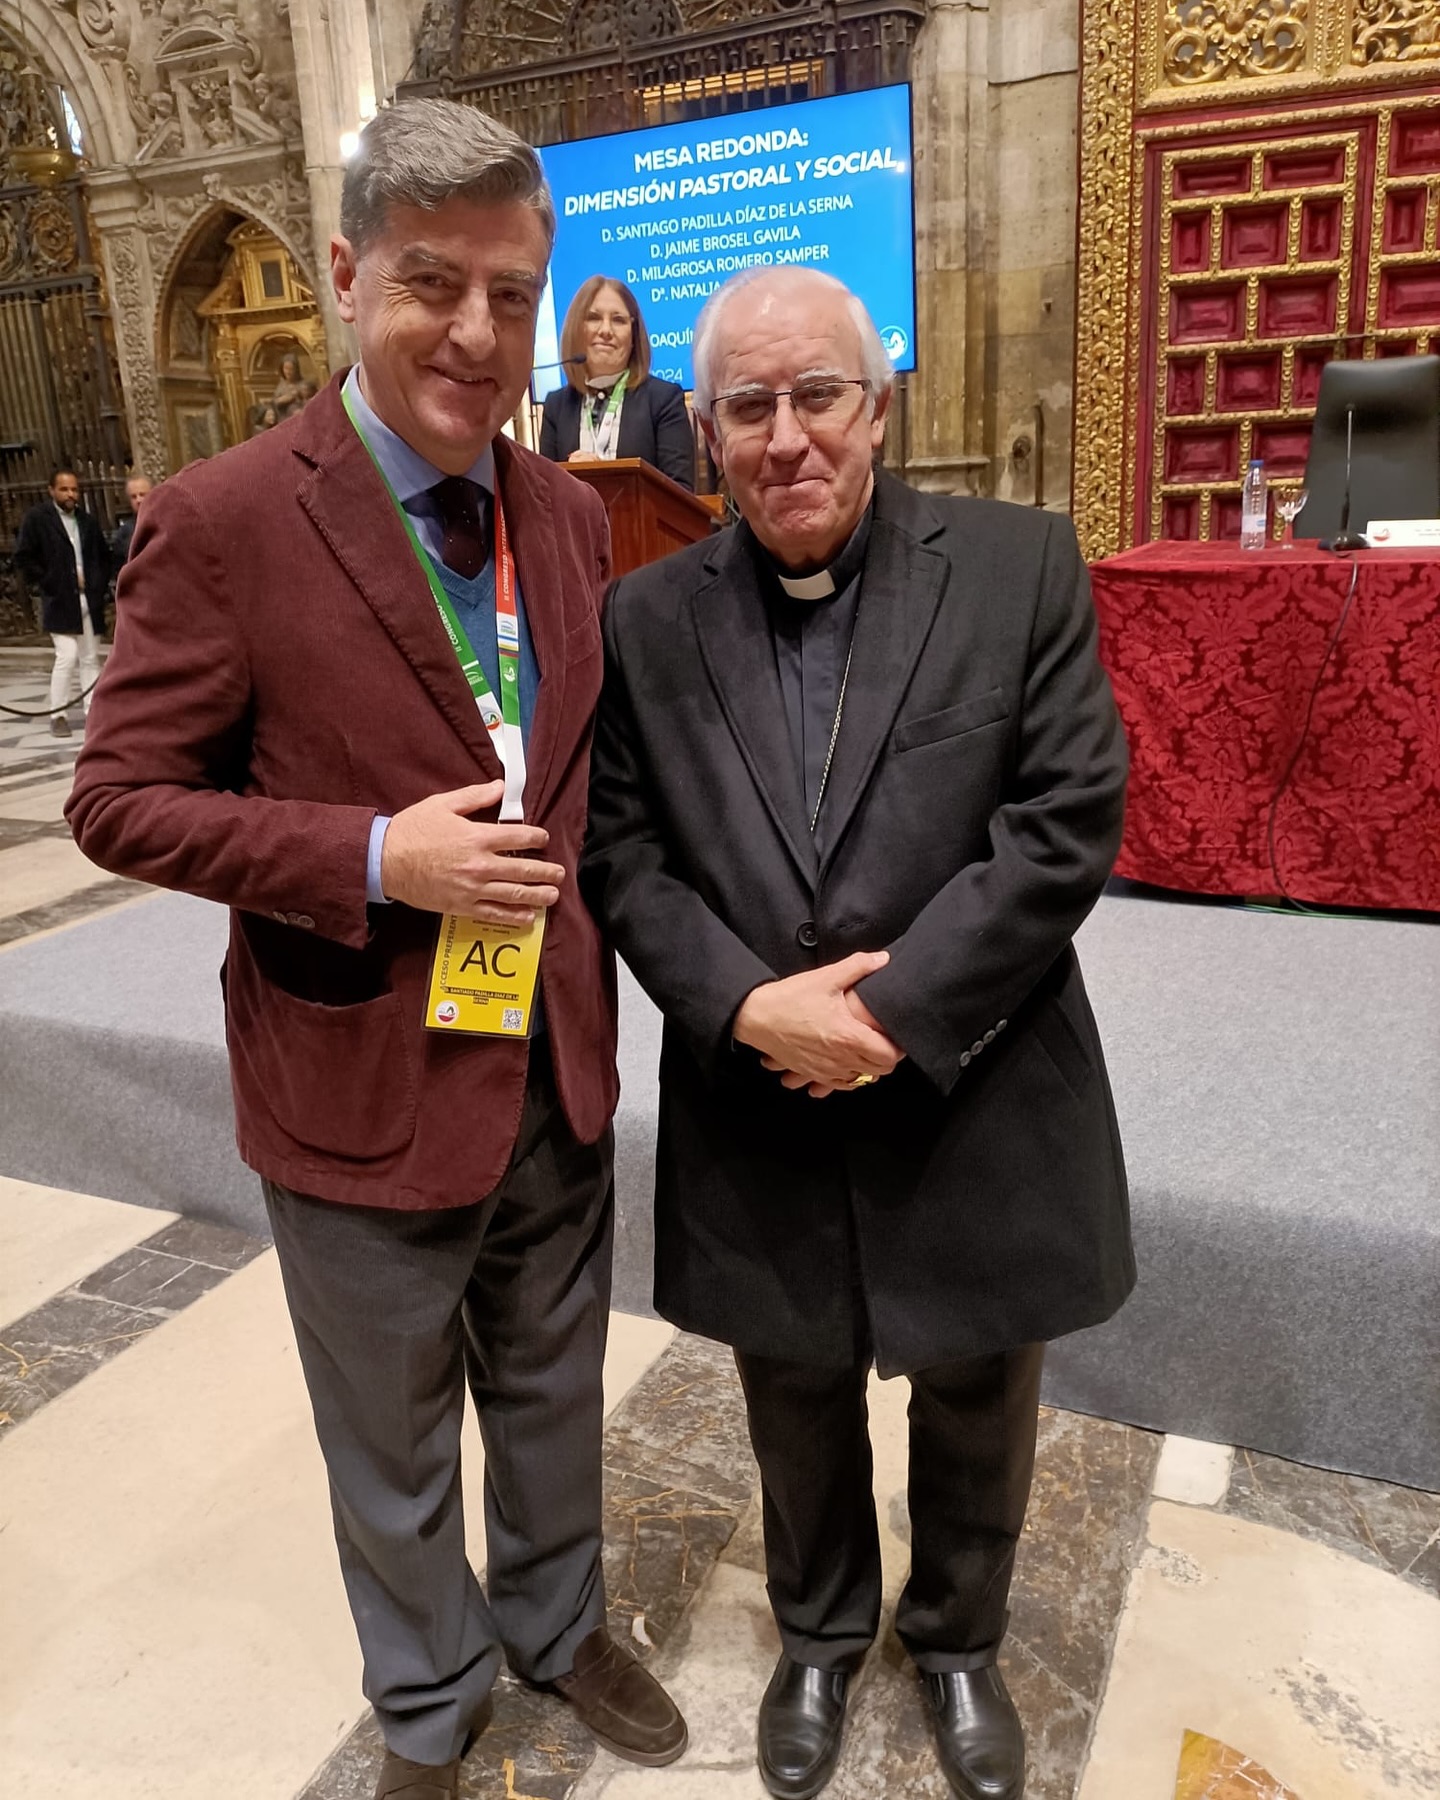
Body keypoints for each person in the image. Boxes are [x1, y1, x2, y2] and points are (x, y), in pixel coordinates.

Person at [68, 98, 685, 1800]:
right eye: (432, 284)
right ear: (346, 275)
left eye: (512, 293)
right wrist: (369, 855)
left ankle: (557, 1625)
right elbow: (117, 799)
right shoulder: (226, 518)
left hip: (548, 1052)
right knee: (392, 1434)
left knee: (554, 1387)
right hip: (354, 1066)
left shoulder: (568, 515)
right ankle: (427, 1702)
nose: (479, 333)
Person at [580, 266, 1132, 1800]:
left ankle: (957, 1640)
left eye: (818, 395)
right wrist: (747, 1003)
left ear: (877, 406)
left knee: (977, 1385)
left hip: (971, 1073)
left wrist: (889, 1012)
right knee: (793, 1388)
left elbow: (1064, 815)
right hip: (758, 1086)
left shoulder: (1017, 566)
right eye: (748, 406)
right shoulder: (645, 617)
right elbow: (621, 850)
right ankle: (819, 1635)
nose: (788, 437)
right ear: (703, 431)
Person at [539, 275, 694, 489]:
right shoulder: (556, 407)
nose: (605, 331)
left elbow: (681, 493)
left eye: (618, 320)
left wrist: (605, 479)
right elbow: (544, 492)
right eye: (593, 318)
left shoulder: (664, 400)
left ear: (633, 336)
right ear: (577, 329)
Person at [15, 467, 111, 739]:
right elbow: (24, 557)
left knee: (89, 658)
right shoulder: (37, 519)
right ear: (51, 490)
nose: (70, 494)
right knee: (66, 656)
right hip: (60, 599)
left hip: (88, 598)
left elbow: (102, 556)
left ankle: (93, 712)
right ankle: (58, 714)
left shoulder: (87, 521)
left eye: (74, 489)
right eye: (64, 489)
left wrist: (96, 584)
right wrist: (50, 580)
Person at [108, 473, 153, 569]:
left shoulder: (167, 523)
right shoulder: (124, 533)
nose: (138, 500)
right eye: (134, 497)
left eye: (142, 494)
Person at [271, 349, 317, 418]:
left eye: (291, 369)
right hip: (286, 418)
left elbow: (314, 399)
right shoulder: (281, 386)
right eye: (286, 368)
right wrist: (283, 400)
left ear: (296, 369)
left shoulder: (304, 384)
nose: (288, 372)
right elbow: (273, 405)